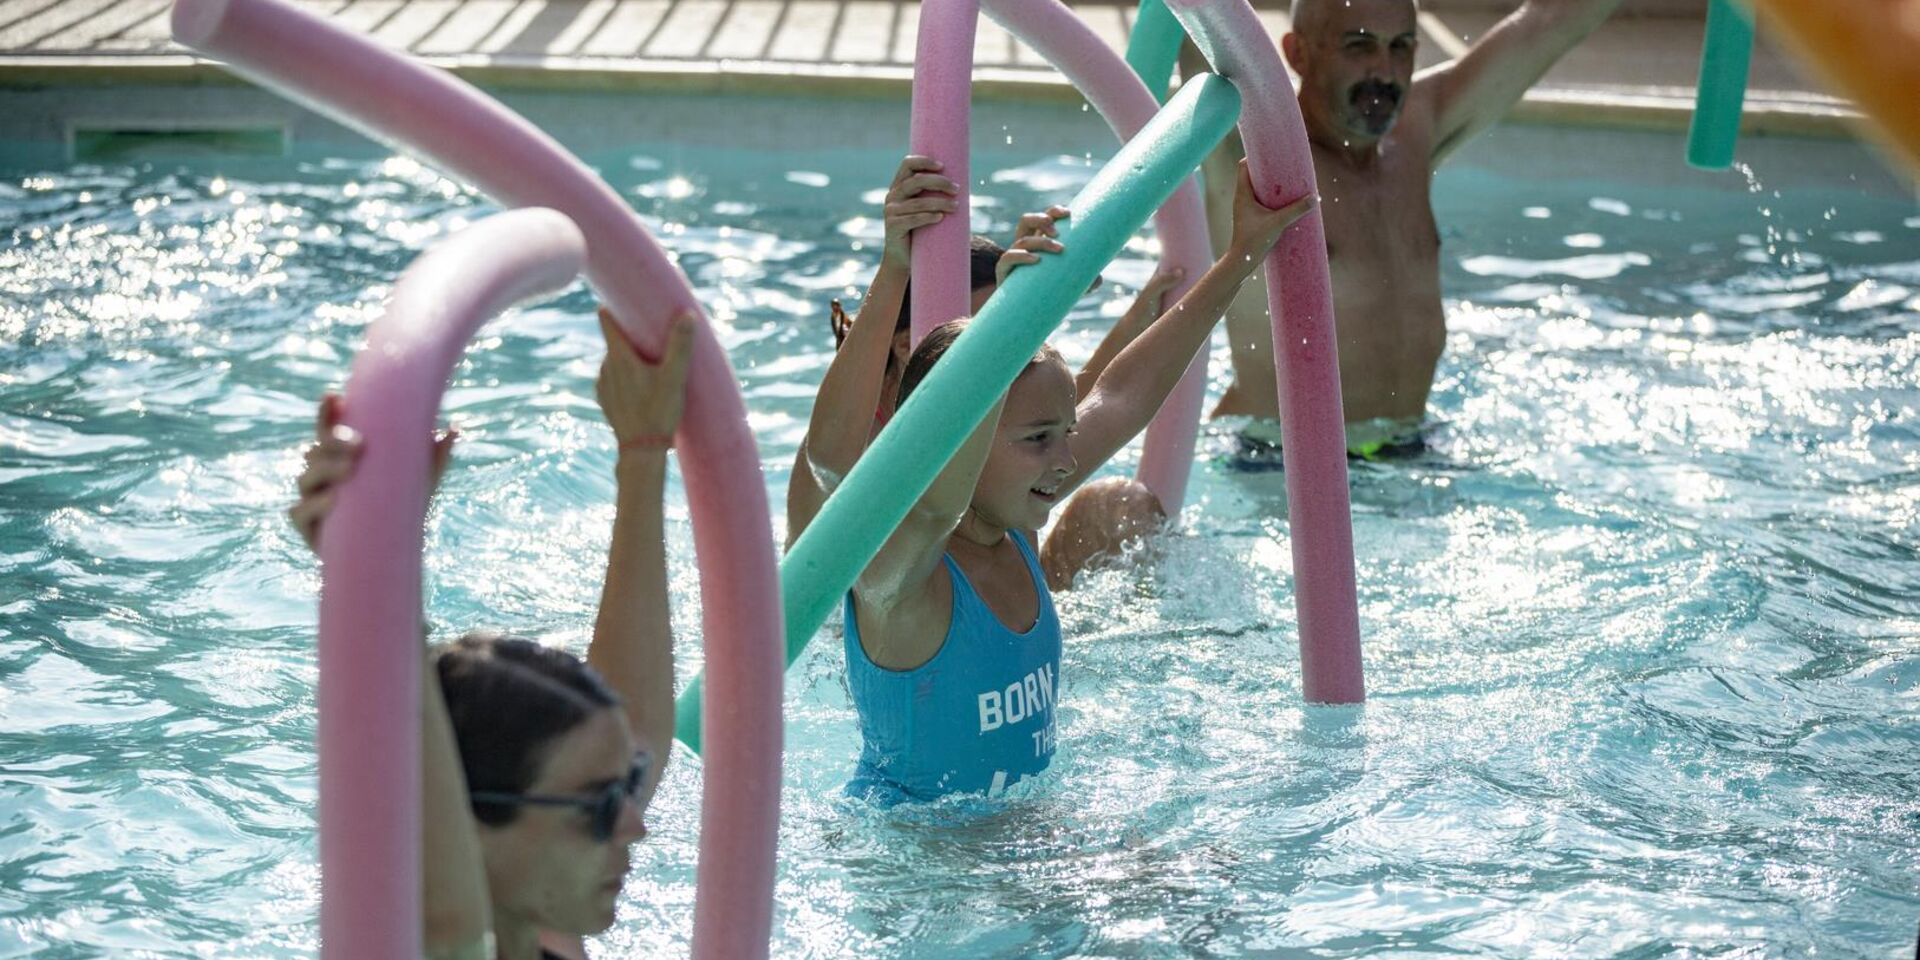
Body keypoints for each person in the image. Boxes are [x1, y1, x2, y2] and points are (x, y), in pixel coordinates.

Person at [822, 161, 1314, 804]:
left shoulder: (1014, 519)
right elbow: (855, 466)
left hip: (1017, 842)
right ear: (958, 445)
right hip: (922, 871)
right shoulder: (900, 573)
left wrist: (1241, 256)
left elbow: (1123, 395)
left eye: (1065, 434)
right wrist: (1004, 315)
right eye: (1037, 440)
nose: (1065, 460)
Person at [289, 309, 696, 960]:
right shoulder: (448, 944)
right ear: (464, 822)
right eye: (598, 805)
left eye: (626, 785)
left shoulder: (538, 915)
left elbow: (640, 723)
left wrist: (644, 449)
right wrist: (370, 573)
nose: (636, 825)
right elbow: (449, 922)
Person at [1190, 0, 1626, 460]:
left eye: (1402, 47)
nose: (1386, 69)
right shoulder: (1257, 157)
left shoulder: (1415, 132)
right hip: (1281, 467)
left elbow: (1553, 20)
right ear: (1298, 53)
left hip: (1410, 450)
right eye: (1359, 45)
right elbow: (1204, 27)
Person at [790, 155, 1188, 589]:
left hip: (991, 620)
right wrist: (895, 265)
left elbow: (1071, 412)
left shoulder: (996, 426)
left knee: (1119, 506)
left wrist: (1050, 294)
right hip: (891, 639)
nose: (1009, 349)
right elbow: (831, 459)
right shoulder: (849, 443)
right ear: (907, 345)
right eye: (991, 329)